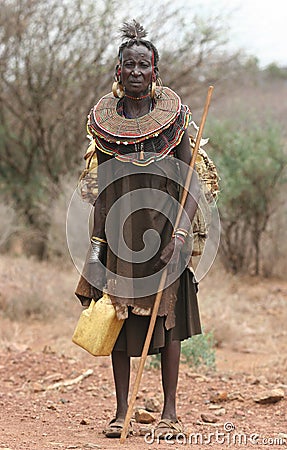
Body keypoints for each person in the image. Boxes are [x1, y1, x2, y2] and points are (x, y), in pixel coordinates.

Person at [75, 19, 202, 439]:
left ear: (155, 70)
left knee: (167, 325)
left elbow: (190, 183)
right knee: (118, 320)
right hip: (120, 234)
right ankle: (119, 411)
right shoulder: (105, 125)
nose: (135, 72)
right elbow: (101, 191)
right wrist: (96, 249)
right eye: (128, 64)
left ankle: (169, 413)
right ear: (117, 70)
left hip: (166, 233)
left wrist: (180, 237)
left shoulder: (175, 120)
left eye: (142, 65)